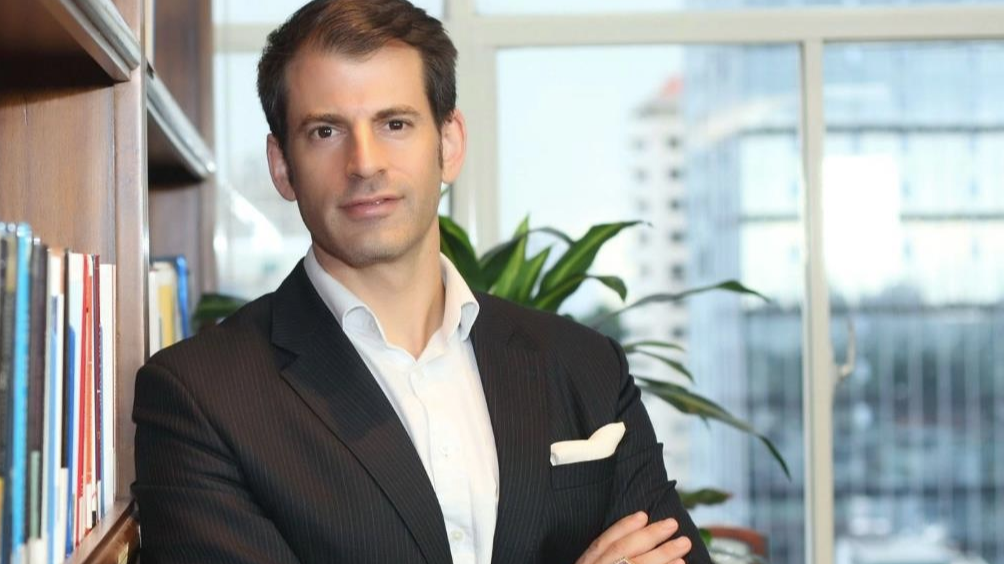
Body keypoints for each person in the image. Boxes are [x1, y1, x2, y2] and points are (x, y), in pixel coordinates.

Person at [132, 1, 713, 563]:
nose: (365, 163)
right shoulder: (200, 398)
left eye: (394, 123)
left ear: (449, 144)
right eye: (325, 131)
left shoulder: (585, 366)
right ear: (282, 165)